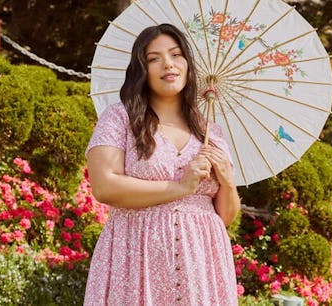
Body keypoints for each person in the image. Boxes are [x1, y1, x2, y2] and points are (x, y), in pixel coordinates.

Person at [84, 23, 241, 306]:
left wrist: (228, 181)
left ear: (188, 64)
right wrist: (180, 187)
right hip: (135, 255)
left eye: (176, 54)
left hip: (201, 262)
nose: (168, 64)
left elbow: (224, 218)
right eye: (154, 58)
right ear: (141, 71)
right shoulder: (119, 119)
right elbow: (104, 185)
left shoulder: (210, 133)